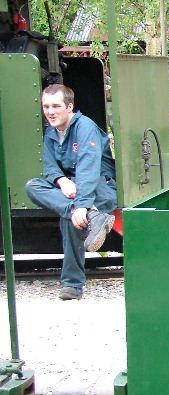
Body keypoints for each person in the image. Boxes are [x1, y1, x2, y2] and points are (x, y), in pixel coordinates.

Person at [25, 84, 117, 301]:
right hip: (72, 192)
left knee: (72, 219)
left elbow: (88, 169)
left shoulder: (85, 127)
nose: (50, 111)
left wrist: (82, 206)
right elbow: (49, 167)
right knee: (33, 186)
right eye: (46, 106)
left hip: (99, 188)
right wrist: (61, 180)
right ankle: (92, 217)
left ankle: (72, 285)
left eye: (56, 106)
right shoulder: (51, 133)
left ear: (69, 107)